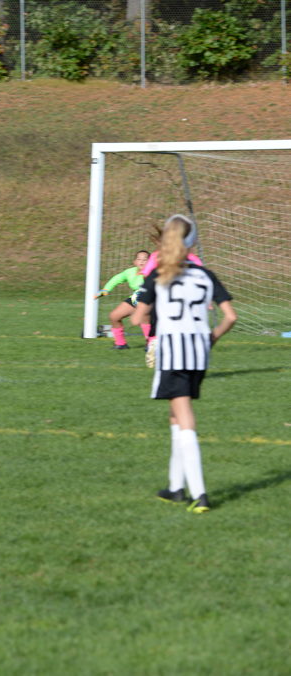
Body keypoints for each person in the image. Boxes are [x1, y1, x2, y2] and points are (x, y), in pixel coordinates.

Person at [131, 214, 237, 513]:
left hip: (173, 352)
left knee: (184, 415)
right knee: (175, 416)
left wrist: (157, 311)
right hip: (199, 352)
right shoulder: (206, 274)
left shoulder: (160, 273)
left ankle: (200, 494)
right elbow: (230, 317)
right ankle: (175, 487)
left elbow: (138, 318)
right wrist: (212, 337)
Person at [142, 242, 203, 368]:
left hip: (162, 295)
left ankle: (153, 343)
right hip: (184, 297)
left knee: (157, 322)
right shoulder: (191, 257)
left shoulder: (156, 255)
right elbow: (201, 275)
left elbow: (146, 274)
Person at [95, 249, 150, 349]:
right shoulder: (130, 272)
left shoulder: (152, 273)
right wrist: (105, 290)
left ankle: (151, 344)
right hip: (136, 299)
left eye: (144, 260)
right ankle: (121, 343)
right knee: (114, 316)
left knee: (143, 317)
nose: (141, 262)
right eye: (139, 259)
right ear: (135, 262)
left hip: (151, 301)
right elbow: (117, 279)